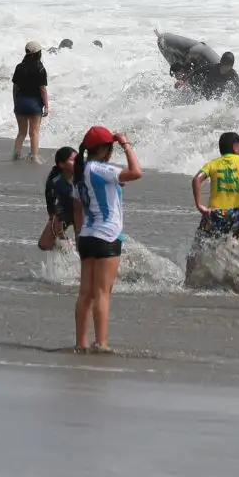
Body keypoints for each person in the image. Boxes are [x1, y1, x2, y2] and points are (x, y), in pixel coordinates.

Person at [72, 125, 142, 353]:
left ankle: (81, 342)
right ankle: (101, 343)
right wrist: (126, 144)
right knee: (102, 292)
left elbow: (77, 206)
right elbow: (136, 172)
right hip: (107, 235)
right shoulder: (101, 169)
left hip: (87, 235)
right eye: (111, 148)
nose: (112, 152)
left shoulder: (81, 171)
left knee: (85, 293)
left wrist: (78, 235)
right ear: (102, 149)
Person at [189, 131, 239, 275]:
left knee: (199, 247)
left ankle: (190, 278)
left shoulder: (213, 164)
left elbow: (196, 179)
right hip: (237, 214)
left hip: (215, 213)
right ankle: (232, 278)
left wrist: (199, 204)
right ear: (235, 147)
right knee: (235, 249)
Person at [11, 41, 49, 161]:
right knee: (34, 132)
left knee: (21, 132)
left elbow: (15, 87)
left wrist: (15, 102)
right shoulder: (40, 68)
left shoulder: (19, 67)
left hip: (21, 102)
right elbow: (42, 89)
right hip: (34, 104)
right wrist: (46, 106)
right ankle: (34, 156)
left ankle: (16, 154)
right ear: (38, 53)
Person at [38, 146, 78, 250]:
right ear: (61, 164)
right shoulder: (55, 182)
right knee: (44, 245)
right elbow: (51, 206)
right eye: (73, 160)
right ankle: (70, 248)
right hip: (64, 212)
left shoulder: (86, 176)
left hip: (83, 212)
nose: (77, 162)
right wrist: (60, 231)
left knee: (83, 247)